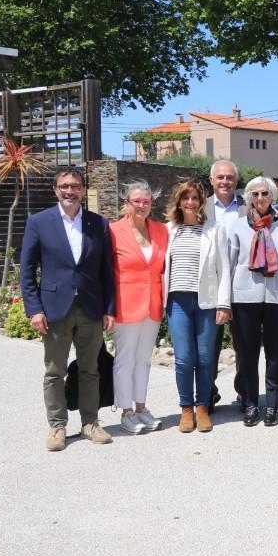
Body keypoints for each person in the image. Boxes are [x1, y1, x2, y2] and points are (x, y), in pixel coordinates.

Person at [22, 168, 117, 451]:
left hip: (90, 307)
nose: (70, 191)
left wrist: (109, 308)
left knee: (90, 369)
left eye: (75, 186)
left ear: (83, 189)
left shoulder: (97, 223)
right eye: (64, 186)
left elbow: (106, 271)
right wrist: (34, 309)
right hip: (54, 309)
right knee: (55, 372)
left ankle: (90, 422)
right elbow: (27, 271)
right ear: (55, 189)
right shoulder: (39, 222)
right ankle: (57, 426)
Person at [164, 180, 232, 433]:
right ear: (179, 201)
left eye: (195, 198)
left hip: (207, 301)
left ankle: (202, 407)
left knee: (204, 358)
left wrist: (224, 304)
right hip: (177, 301)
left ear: (201, 201)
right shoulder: (168, 230)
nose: (190, 203)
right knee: (183, 359)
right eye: (186, 198)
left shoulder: (214, 229)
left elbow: (224, 270)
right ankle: (186, 408)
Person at [225, 176, 278, 428]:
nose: (261, 198)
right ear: (249, 197)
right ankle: (251, 402)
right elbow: (230, 265)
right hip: (245, 297)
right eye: (255, 194)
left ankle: (273, 404)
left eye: (265, 193)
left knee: (275, 355)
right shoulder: (238, 226)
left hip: (277, 297)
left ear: (272, 196)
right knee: (248, 355)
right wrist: (226, 301)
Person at [109, 181, 168, 435]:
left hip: (153, 304)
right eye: (137, 201)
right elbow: (105, 272)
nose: (142, 206)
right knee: (125, 359)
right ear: (127, 203)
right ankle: (126, 411)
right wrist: (107, 308)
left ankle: (142, 407)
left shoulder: (161, 230)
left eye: (146, 201)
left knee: (144, 360)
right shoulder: (113, 231)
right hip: (125, 304)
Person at [205, 159, 246, 410]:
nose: (225, 181)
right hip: (211, 284)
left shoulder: (247, 206)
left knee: (244, 344)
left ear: (236, 181)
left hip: (242, 284)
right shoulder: (201, 207)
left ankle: (245, 392)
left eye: (229, 177)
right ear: (211, 180)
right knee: (209, 344)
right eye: (220, 177)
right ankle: (208, 393)